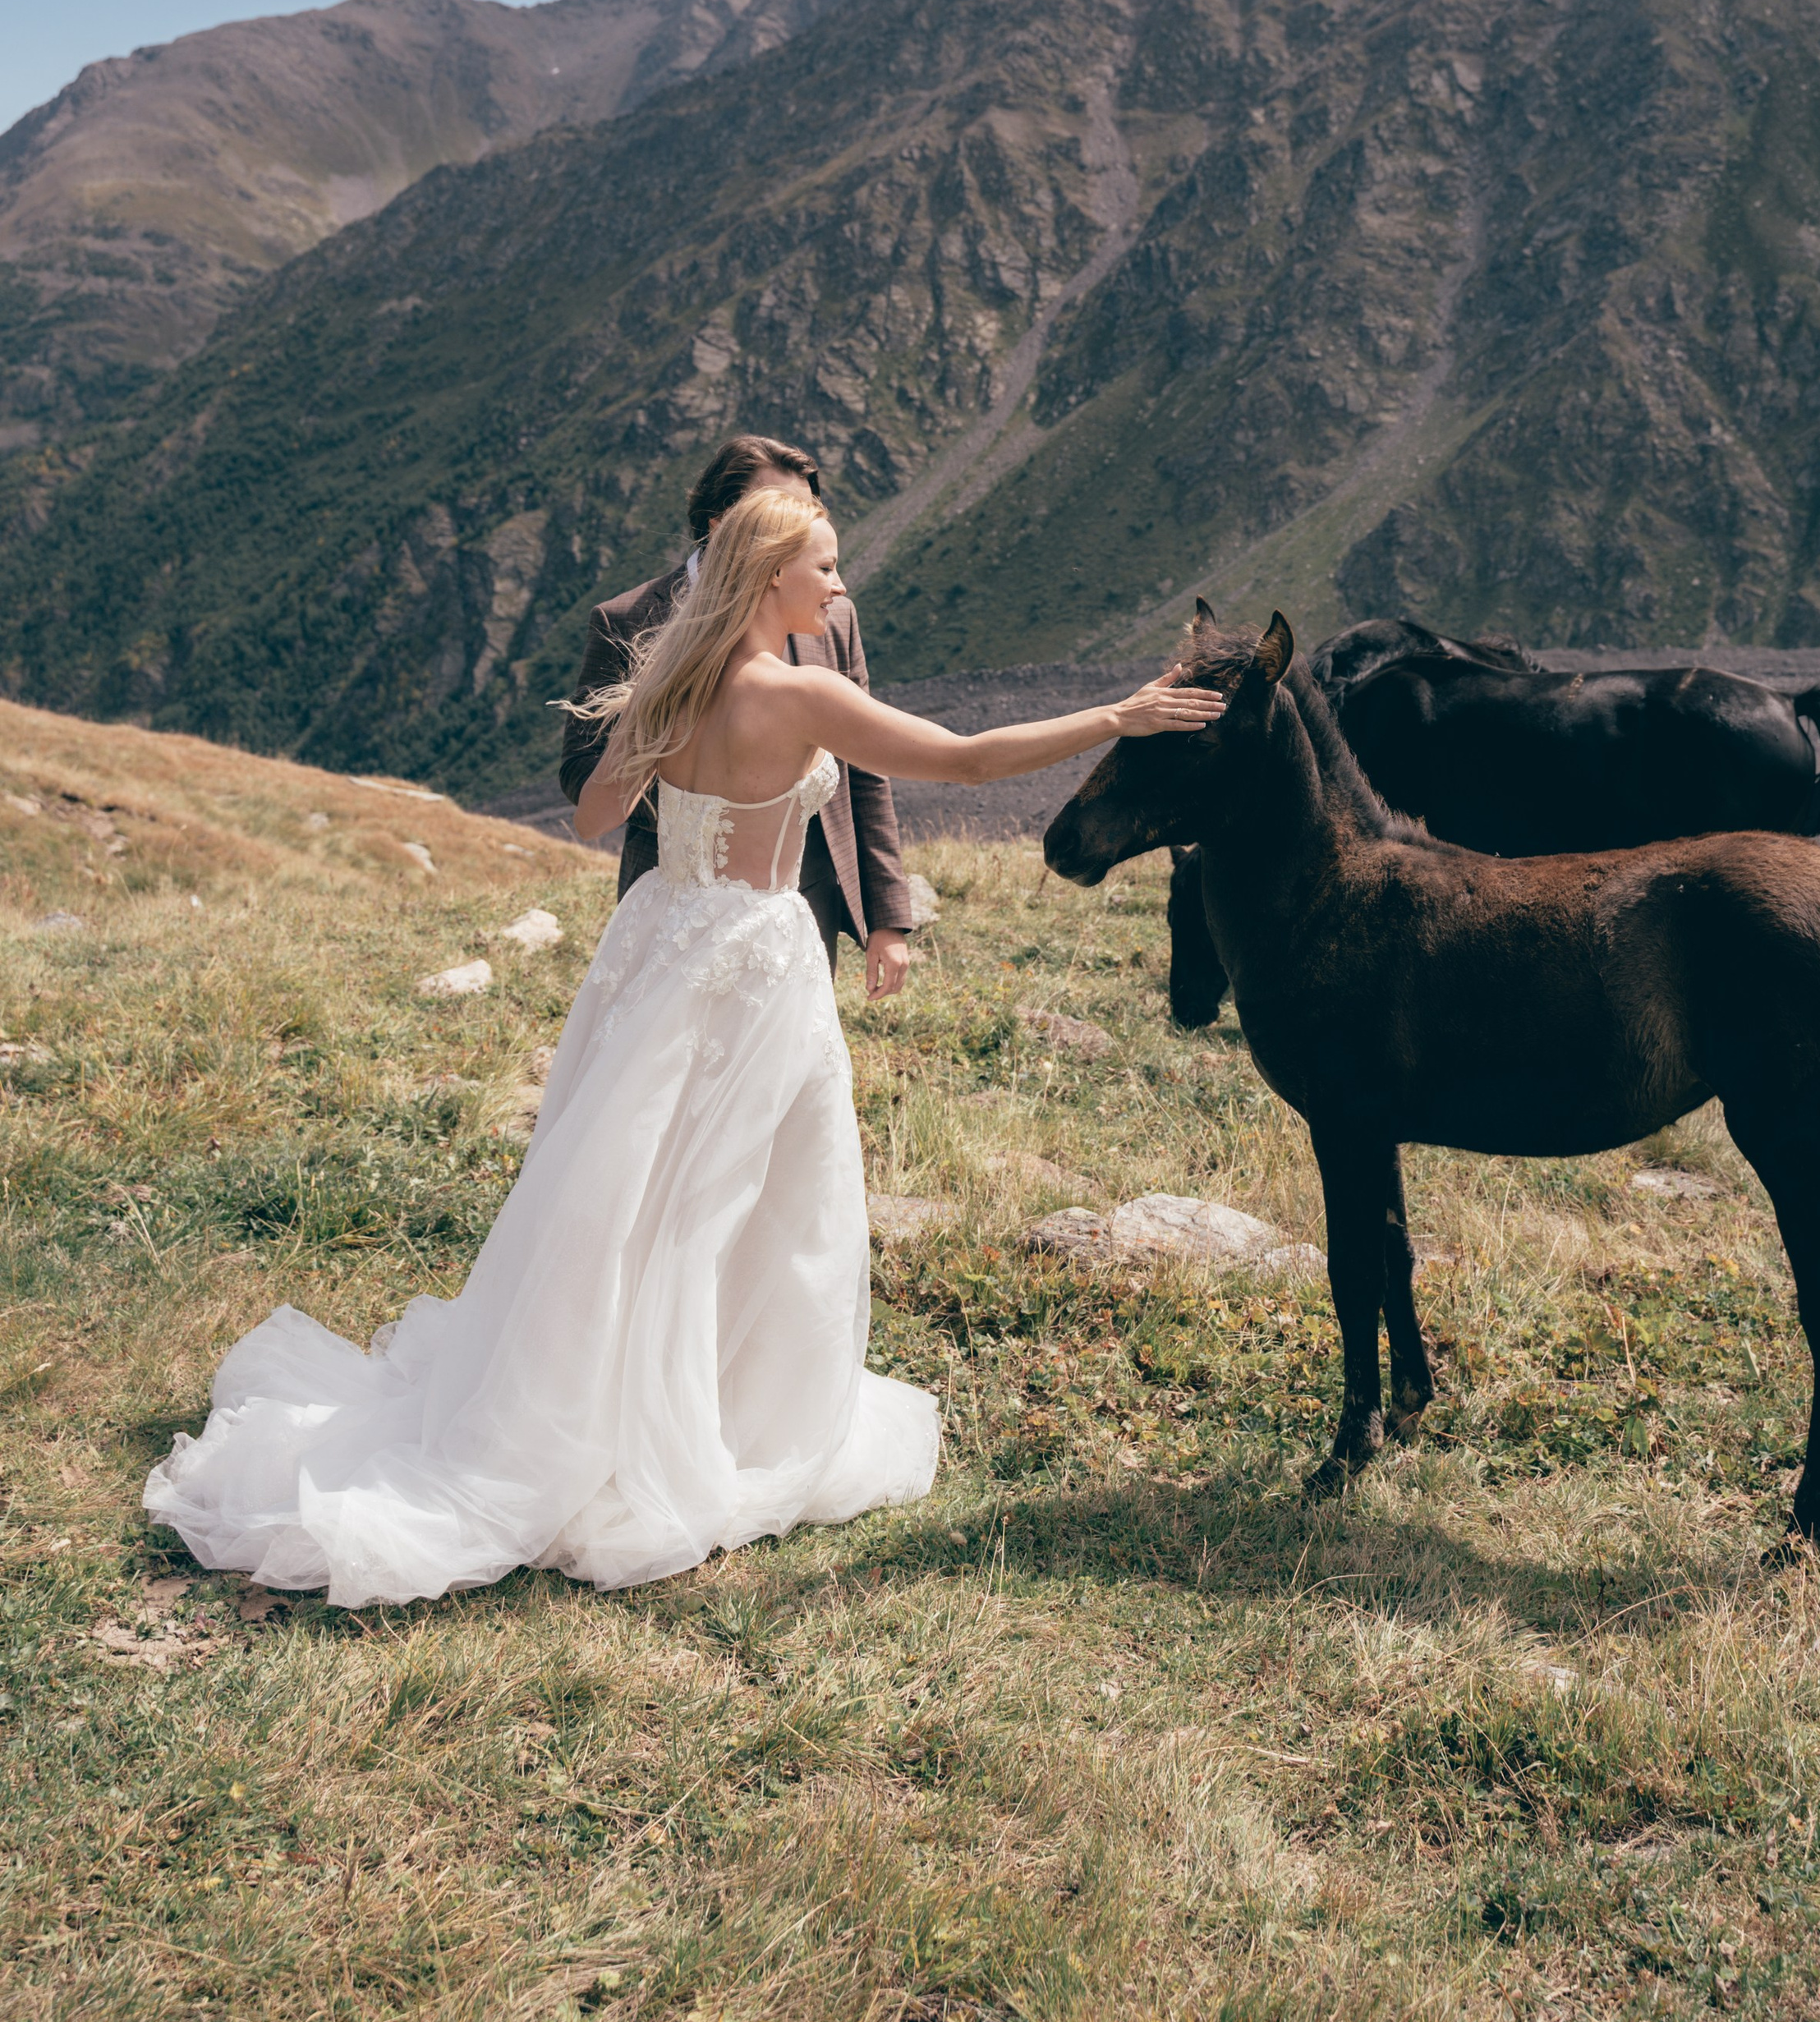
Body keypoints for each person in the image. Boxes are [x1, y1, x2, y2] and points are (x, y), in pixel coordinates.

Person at [143, 489, 1223, 1608]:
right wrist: (1117, 717)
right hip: (750, 960)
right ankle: (708, 1418)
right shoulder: (798, 693)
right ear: (770, 583)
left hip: (657, 937)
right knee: (751, 1200)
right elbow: (968, 762)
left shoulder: (676, 678)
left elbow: (595, 817)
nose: (840, 589)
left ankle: (598, 1393)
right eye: (828, 571)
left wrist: (666, 746)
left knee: (621, 1188)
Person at [559, 431, 915, 1000]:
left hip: (808, 892)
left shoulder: (835, 614)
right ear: (722, 525)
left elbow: (867, 768)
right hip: (677, 898)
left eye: (806, 510)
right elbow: (582, 768)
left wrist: (889, 916)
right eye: (777, 511)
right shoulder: (628, 618)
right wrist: (695, 777)